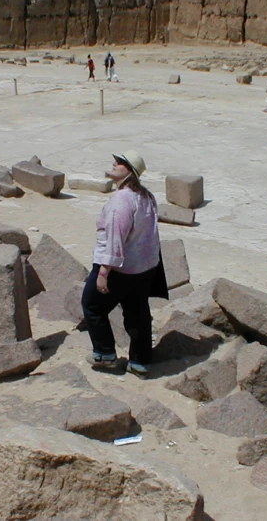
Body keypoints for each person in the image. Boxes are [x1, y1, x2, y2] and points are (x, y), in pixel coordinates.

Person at [81, 150, 162, 377]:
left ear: (130, 172)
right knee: (137, 312)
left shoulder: (121, 200)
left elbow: (116, 237)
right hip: (144, 267)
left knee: (92, 306)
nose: (115, 164)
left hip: (120, 267)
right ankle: (140, 361)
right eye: (116, 160)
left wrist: (104, 271)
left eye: (121, 163)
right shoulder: (146, 196)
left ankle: (105, 354)